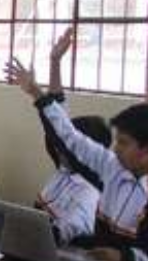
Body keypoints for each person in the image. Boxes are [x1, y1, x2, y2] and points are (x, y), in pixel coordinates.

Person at [4, 30, 148, 261]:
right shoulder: (111, 166)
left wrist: (125, 256)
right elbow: (68, 134)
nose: (115, 149)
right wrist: (36, 92)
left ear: (145, 151)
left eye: (123, 143)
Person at [6, 30, 107, 244]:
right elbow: (58, 118)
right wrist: (55, 61)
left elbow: (60, 235)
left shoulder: (88, 193)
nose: (60, 145)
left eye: (69, 144)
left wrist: (35, 92)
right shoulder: (67, 169)